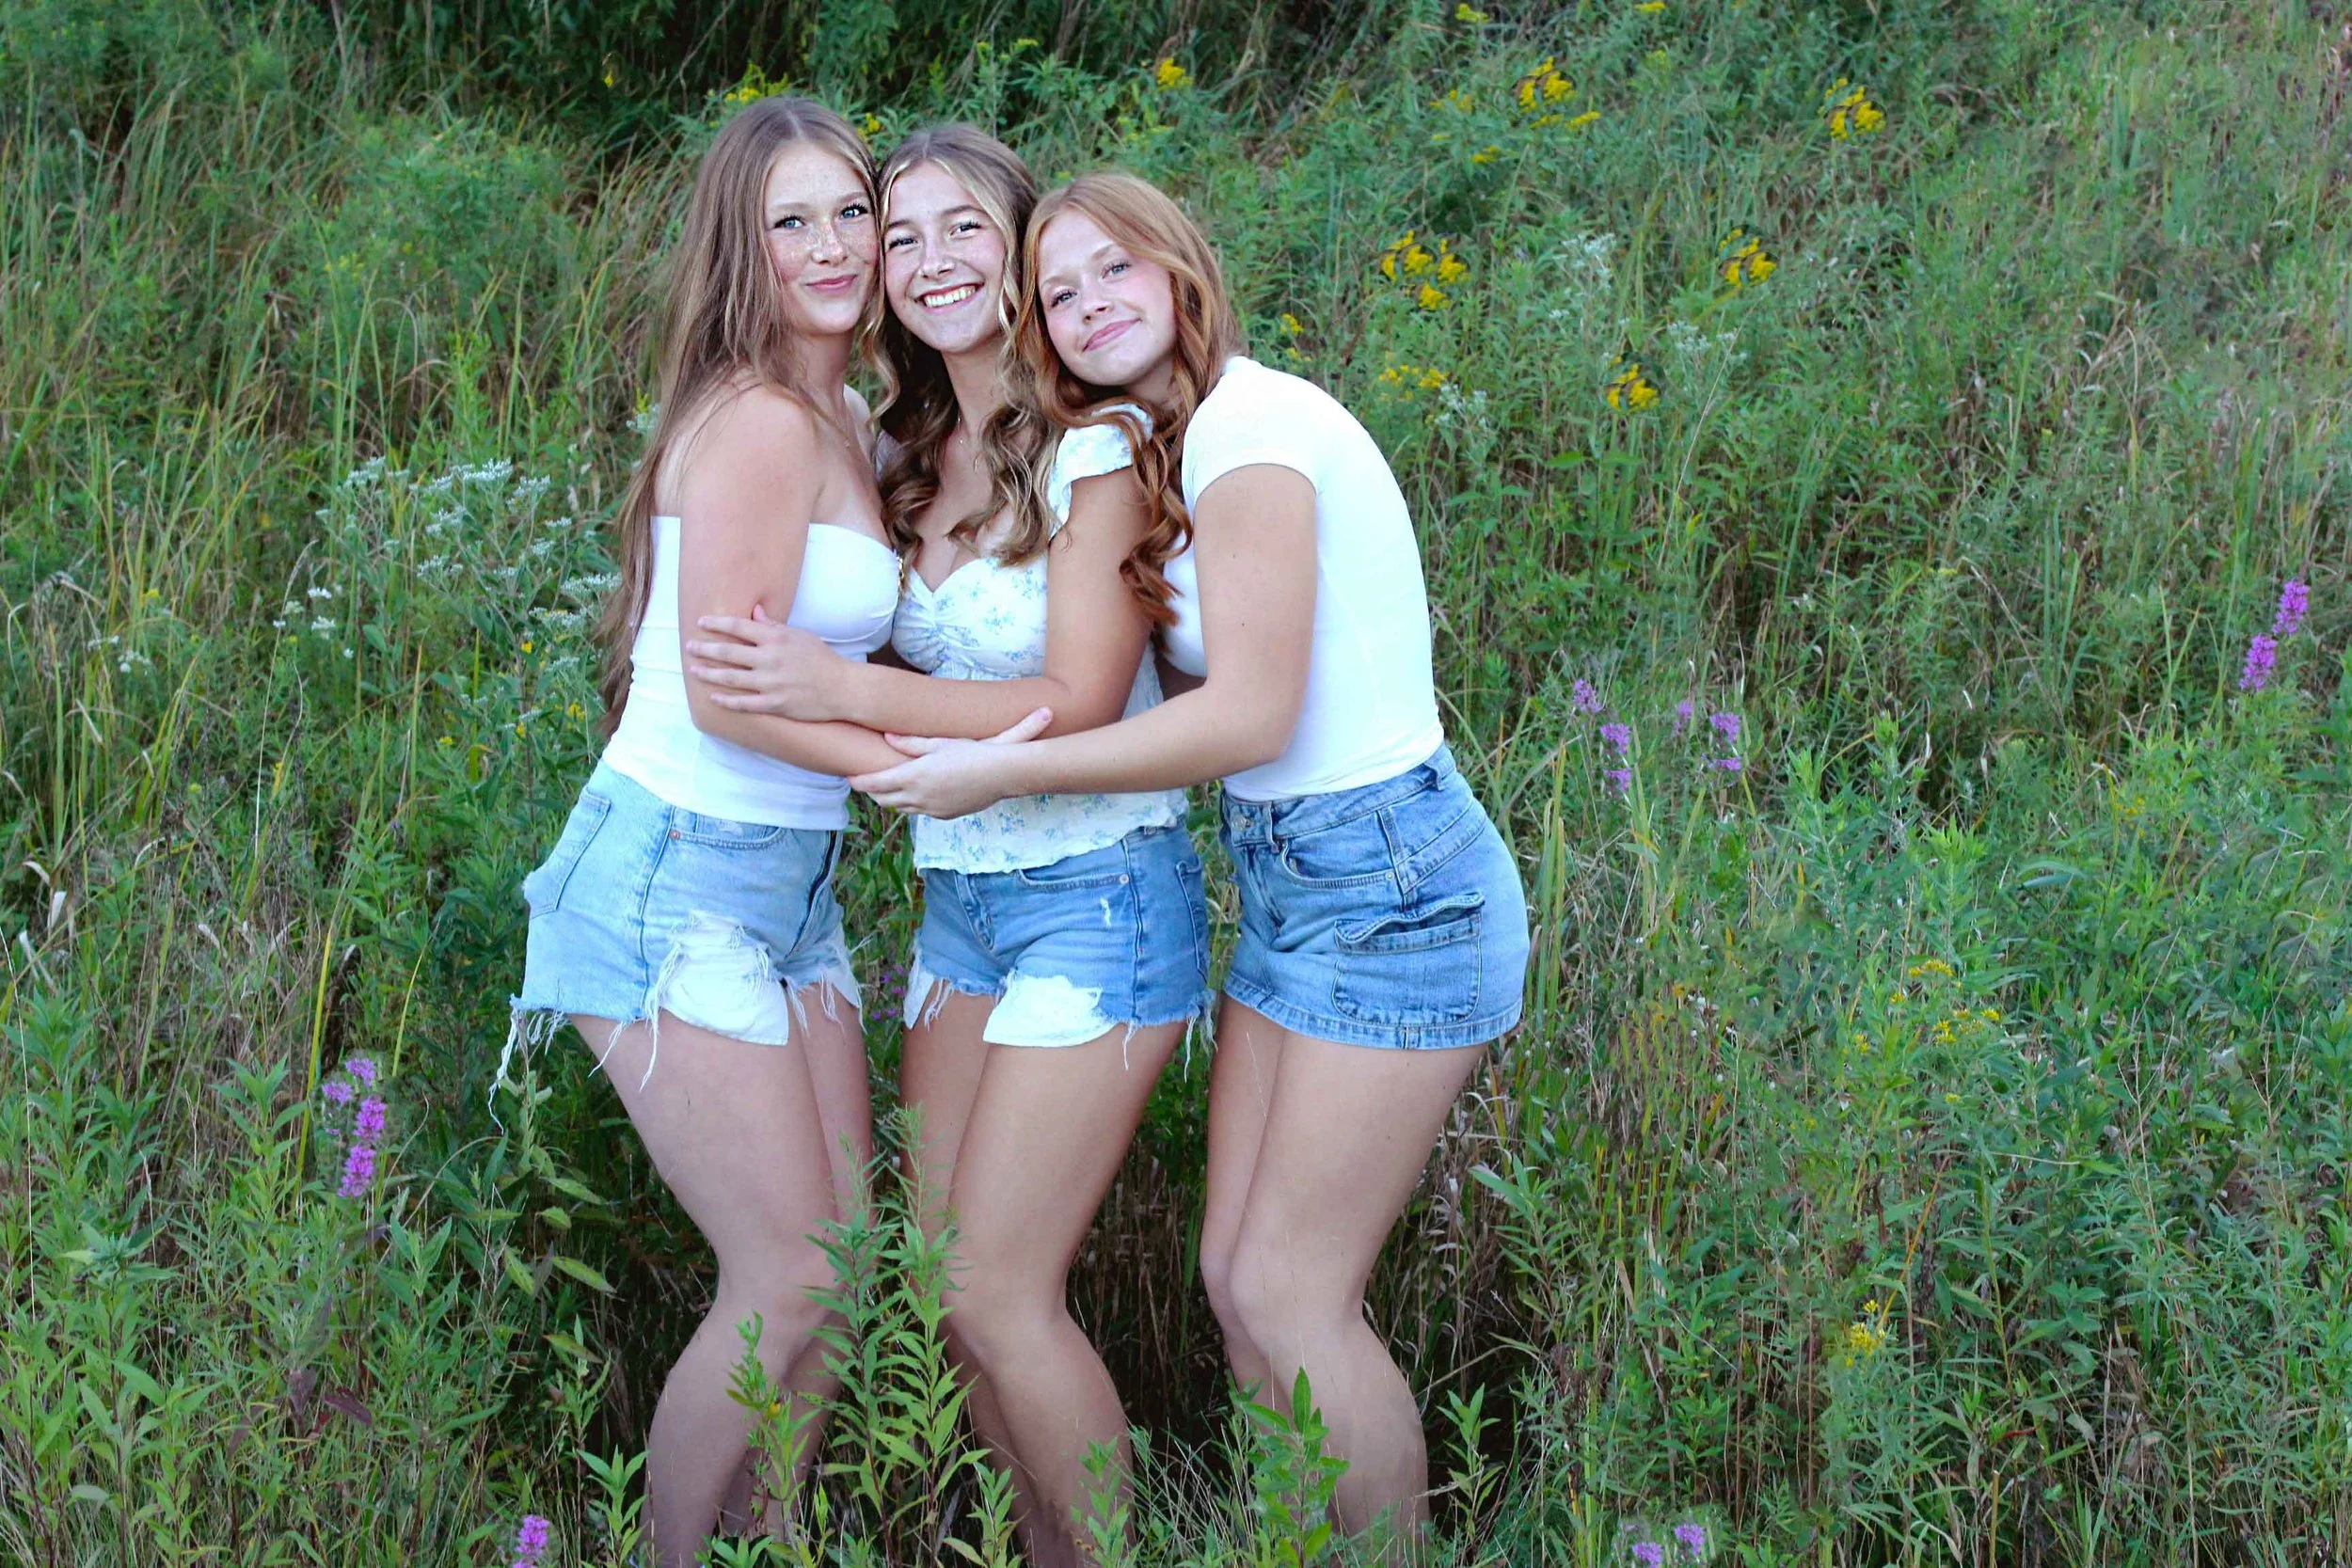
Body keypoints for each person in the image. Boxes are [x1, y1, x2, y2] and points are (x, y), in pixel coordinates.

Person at [846, 171, 1531, 1551]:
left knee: (1287, 1293)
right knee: (1234, 1278)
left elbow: (1249, 713)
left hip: (1392, 879)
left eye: (1116, 272)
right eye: (1060, 290)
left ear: (1181, 270)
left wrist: (1004, 766)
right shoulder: (1159, 445)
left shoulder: (1254, 432)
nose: (1088, 304)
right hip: (1293, 874)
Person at [685, 127, 1208, 1568]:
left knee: (994, 1290)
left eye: (963, 229)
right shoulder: (899, 449)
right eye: (896, 235)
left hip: (1102, 897)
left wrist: (846, 691)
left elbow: (1076, 697)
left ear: (1022, 249)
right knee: (926, 1281)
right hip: (960, 911)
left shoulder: (1094, 440)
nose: (927, 263)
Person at [501, 96, 932, 1566]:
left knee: (840, 1268)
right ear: (741, 251)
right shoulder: (756, 417)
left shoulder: (851, 418)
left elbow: (816, 664)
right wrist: (912, 761)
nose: (832, 245)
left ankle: (774, 1540)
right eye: (790, 221)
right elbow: (736, 696)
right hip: (675, 873)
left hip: (784, 891)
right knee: (788, 1274)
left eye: (849, 212)